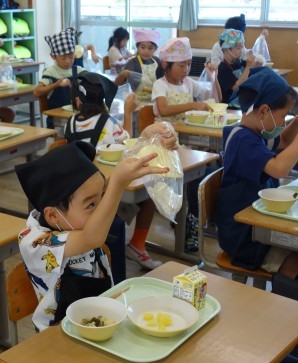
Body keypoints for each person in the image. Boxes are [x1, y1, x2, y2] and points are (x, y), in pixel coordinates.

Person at [15, 141, 169, 331]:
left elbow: (106, 191)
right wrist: (117, 184)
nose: (100, 209)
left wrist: (146, 143)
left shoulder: (72, 220)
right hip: (58, 333)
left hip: (100, 319)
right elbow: (91, 238)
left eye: (101, 197)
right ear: (53, 215)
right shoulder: (34, 241)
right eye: (91, 205)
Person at [64, 71, 178, 272]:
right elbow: (127, 144)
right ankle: (136, 243)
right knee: (148, 193)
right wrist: (128, 113)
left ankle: (126, 235)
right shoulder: (108, 122)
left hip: (78, 185)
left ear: (78, 101)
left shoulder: (71, 122)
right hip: (102, 185)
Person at [215, 67, 298, 280]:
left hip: (259, 221)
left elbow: (283, 141)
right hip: (244, 235)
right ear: (263, 111)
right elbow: (279, 168)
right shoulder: (243, 140)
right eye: (282, 116)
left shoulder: (255, 132)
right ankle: (288, 296)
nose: (282, 123)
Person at [152, 37, 220, 123]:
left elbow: (216, 98)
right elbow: (163, 110)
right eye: (181, 65)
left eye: (189, 64)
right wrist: (192, 105)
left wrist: (214, 77)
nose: (186, 69)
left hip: (185, 129)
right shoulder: (160, 84)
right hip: (165, 129)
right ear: (165, 64)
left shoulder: (188, 82)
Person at [34, 28, 84, 128]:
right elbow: (36, 92)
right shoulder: (51, 72)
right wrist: (56, 84)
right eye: (63, 58)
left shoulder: (79, 70)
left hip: (76, 116)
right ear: (53, 56)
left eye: (71, 57)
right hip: (57, 120)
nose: (68, 61)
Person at [114, 29, 164, 101]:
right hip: (136, 101)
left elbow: (162, 80)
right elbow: (119, 83)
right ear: (137, 47)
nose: (146, 51)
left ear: (155, 49)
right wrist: (122, 75)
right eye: (142, 47)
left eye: (150, 48)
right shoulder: (133, 63)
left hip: (154, 100)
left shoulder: (157, 61)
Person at [217, 29, 256, 105]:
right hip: (229, 106)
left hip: (241, 102)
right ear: (226, 50)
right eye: (238, 48)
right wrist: (248, 67)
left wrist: (254, 60)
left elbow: (253, 67)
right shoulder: (222, 68)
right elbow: (236, 87)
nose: (241, 51)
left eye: (242, 48)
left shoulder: (239, 62)